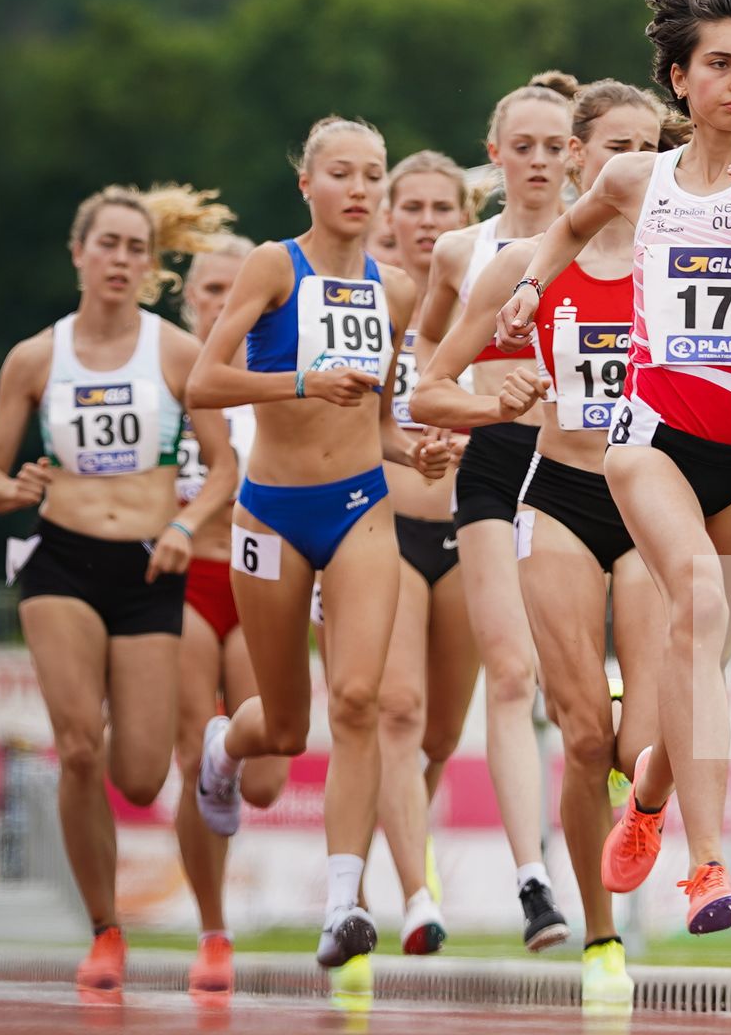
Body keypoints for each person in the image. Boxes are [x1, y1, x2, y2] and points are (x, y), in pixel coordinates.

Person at [498, 0, 731, 936]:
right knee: (691, 600)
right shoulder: (635, 180)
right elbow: (563, 231)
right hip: (651, 439)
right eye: (723, 65)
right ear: (680, 81)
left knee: (699, 664)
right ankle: (706, 870)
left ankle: (648, 795)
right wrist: (531, 287)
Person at [414, 77, 668, 1004]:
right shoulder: (524, 262)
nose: (635, 167)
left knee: (642, 735)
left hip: (652, 497)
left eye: (653, 149)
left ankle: (643, 821)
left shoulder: (682, 260)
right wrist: (492, 402)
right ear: (577, 159)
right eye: (615, 149)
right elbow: (426, 388)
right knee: (584, 729)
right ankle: (601, 939)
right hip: (555, 494)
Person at [185, 116, 452, 971]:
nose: (362, 189)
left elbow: (379, 427)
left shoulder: (397, 289)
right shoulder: (274, 265)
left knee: (360, 702)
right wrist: (300, 379)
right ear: (308, 183)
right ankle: (225, 746)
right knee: (290, 728)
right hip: (269, 513)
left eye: (372, 173)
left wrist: (425, 448)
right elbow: (204, 379)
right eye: (342, 173)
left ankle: (344, 904)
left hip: (361, 509)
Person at [0, 182, 237, 992]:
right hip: (61, 564)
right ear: (79, 253)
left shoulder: (176, 355)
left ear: (151, 266)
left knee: (141, 775)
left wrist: (186, 529)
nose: (121, 260)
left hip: (151, 570)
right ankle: (105, 929)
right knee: (79, 747)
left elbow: (225, 466)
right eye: (108, 244)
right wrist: (9, 489)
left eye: (136, 249)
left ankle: (129, 715)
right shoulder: (34, 359)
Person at [413, 74, 573, 951]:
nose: (541, 161)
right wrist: (460, 422)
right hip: (493, 466)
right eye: (525, 147)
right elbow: (425, 378)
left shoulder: (602, 237)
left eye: (556, 146)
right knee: (509, 678)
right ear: (495, 155)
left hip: (586, 465)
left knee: (571, 689)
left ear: (577, 154)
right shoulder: (459, 254)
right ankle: (533, 882)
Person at [170, 233, 292, 995]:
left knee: (268, 776)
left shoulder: (282, 371)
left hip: (264, 577)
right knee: (190, 758)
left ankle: (227, 751)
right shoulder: (166, 370)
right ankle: (214, 932)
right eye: (209, 291)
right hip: (183, 581)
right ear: (188, 301)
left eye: (233, 288)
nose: (222, 302)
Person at [369, 150, 481, 954]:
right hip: (380, 527)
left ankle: (401, 857)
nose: (429, 221)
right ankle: (414, 894)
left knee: (439, 736)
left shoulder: (492, 287)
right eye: (413, 207)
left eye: (445, 207)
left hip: (470, 530)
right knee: (397, 711)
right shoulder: (363, 300)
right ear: (389, 215)